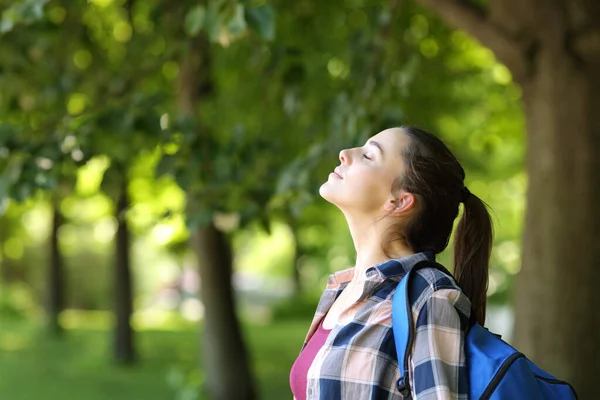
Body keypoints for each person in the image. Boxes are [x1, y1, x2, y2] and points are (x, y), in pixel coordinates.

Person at [289, 126, 493, 399]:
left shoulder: (427, 298)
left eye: (368, 156)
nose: (345, 154)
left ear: (399, 201)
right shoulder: (341, 289)